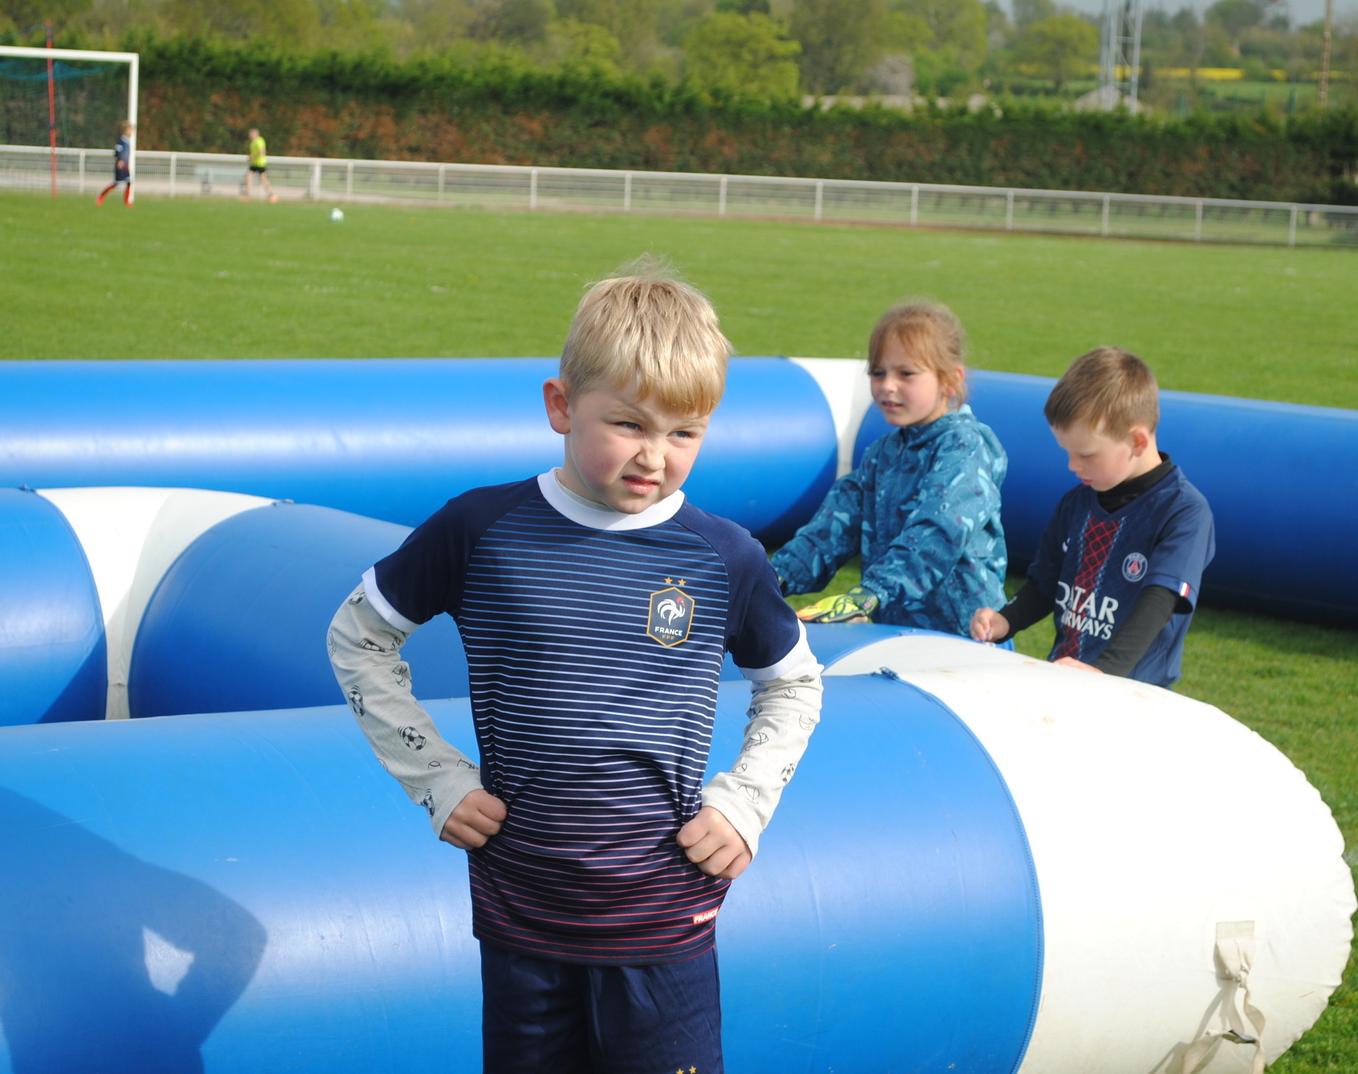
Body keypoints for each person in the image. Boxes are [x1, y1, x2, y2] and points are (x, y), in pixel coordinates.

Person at [328, 263, 823, 1074]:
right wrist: (437, 779)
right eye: (629, 424)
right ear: (561, 405)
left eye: (685, 433)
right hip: (521, 918)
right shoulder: (480, 530)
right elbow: (357, 638)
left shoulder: (723, 556)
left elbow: (794, 682)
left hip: (666, 922)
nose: (654, 456)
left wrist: (746, 802)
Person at [970, 346, 1215, 687]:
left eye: (1086, 454)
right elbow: (1044, 585)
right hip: (1068, 683)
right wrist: (1004, 620)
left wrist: (1103, 672)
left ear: (1137, 441)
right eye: (1067, 452)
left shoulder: (1183, 512)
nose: (1073, 466)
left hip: (1133, 696)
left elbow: (1160, 601)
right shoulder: (1075, 503)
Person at [770, 300, 1008, 636]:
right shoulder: (882, 453)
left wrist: (871, 594)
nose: (887, 385)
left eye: (905, 373)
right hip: (895, 636)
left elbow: (937, 534)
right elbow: (831, 530)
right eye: (878, 372)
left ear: (950, 381)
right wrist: (772, 578)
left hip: (968, 640)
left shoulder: (965, 446)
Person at [94, 122, 134, 207]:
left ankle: (126, 201)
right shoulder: (121, 141)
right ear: (124, 131)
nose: (131, 132)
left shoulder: (127, 141)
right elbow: (116, 152)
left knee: (129, 181)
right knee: (116, 183)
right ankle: (101, 195)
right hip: (120, 166)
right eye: (129, 130)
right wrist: (119, 160)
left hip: (125, 166)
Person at [243, 128, 276, 202]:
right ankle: (247, 195)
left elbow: (262, 151)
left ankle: (272, 195)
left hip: (260, 163)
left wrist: (253, 157)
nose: (250, 135)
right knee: (248, 177)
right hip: (254, 164)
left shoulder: (259, 141)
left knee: (263, 179)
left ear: (256, 134)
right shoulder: (253, 142)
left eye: (252, 134)